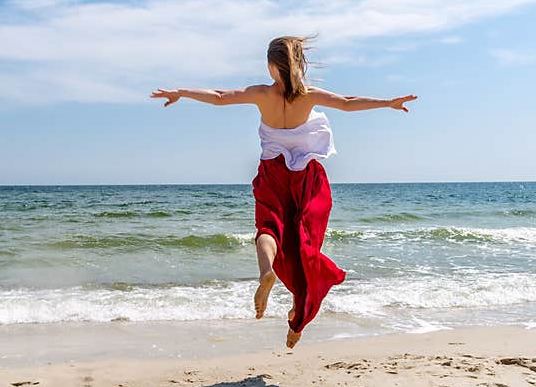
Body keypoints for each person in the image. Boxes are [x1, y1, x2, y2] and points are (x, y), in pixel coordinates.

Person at [151, 35, 417, 348]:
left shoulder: (262, 94)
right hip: (305, 178)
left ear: (270, 65)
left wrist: (182, 92)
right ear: (297, 63)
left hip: (273, 173)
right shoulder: (309, 96)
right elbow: (347, 103)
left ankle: (266, 272)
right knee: (305, 248)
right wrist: (388, 103)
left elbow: (221, 96)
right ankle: (297, 319)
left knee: (268, 228)